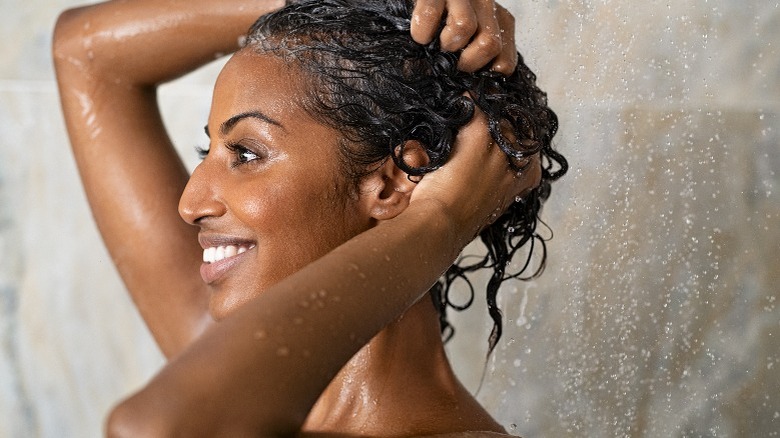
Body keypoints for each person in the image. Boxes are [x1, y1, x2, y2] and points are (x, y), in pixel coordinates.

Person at [52, 0, 566, 436]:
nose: (190, 204)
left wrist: (441, 220)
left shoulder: (216, 393)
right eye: (206, 149)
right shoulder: (228, 371)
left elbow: (155, 427)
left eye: (246, 154)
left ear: (388, 184)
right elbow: (86, 56)